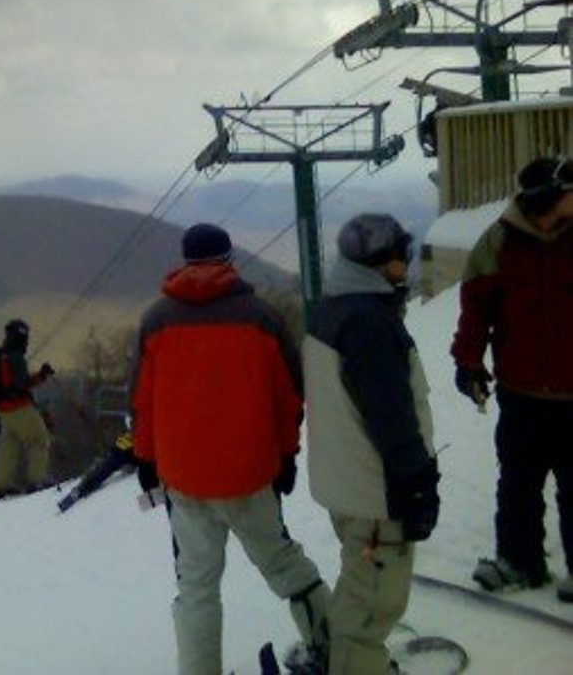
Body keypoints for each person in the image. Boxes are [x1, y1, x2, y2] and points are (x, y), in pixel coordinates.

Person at [130, 223, 330, 675]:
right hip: (249, 475)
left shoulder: (156, 320)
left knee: (196, 587)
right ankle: (335, 647)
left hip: (185, 481)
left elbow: (141, 402)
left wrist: (146, 460)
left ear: (185, 261)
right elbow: (288, 399)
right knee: (284, 564)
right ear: (228, 259)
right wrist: (286, 457)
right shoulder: (261, 317)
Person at [304, 215, 440, 674]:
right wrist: (418, 484)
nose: (409, 262)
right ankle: (355, 665)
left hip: (345, 484)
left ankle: (340, 656)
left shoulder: (332, 311)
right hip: (375, 494)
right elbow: (392, 416)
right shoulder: (369, 325)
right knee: (375, 604)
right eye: (404, 253)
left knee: (360, 583)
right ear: (384, 263)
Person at [451, 156, 573, 600]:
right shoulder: (499, 242)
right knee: (518, 482)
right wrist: (467, 363)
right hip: (522, 393)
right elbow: (475, 310)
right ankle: (519, 562)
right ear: (551, 198)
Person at [0, 319, 56, 499]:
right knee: (39, 439)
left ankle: (0, 486)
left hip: (3, 411)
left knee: (9, 446)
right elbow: (23, 384)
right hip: (20, 408)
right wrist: (42, 375)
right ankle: (37, 480)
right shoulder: (15, 356)